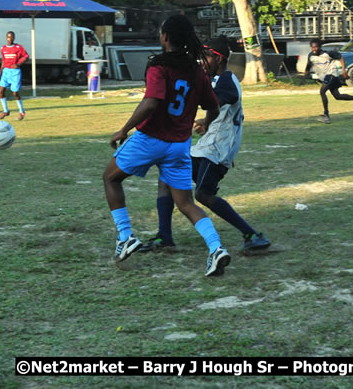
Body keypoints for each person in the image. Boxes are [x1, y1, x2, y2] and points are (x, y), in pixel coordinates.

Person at [102, 15, 231, 277]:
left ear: (165, 37)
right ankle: (216, 248)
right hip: (179, 146)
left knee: (110, 178)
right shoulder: (196, 71)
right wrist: (206, 122)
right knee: (186, 203)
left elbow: (151, 102)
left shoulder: (159, 66)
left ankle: (126, 236)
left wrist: (124, 129)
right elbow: (214, 107)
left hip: (150, 139)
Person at [139, 36, 271, 254]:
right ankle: (164, 238)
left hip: (217, 150)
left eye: (206, 57)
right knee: (166, 179)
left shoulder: (227, 80)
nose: (202, 61)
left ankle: (252, 235)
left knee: (203, 195)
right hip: (206, 148)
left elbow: (218, 101)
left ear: (219, 59)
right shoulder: (215, 79)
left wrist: (206, 119)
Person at [301, 38, 353, 123]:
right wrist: (304, 77)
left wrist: (344, 71)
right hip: (326, 77)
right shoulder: (311, 56)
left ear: (320, 47)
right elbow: (308, 67)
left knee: (322, 91)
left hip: (332, 74)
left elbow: (340, 57)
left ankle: (326, 115)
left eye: (316, 47)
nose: (314, 49)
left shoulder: (327, 53)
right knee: (337, 96)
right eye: (312, 47)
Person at [0, 31, 28, 120]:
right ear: (6, 38)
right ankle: (5, 111)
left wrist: (18, 64)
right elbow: (3, 60)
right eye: (9, 37)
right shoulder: (3, 48)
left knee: (15, 93)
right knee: (1, 91)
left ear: (14, 38)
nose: (10, 39)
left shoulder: (18, 47)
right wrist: (0, 72)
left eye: (12, 37)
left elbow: (26, 57)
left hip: (15, 72)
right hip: (6, 72)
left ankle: (21, 111)